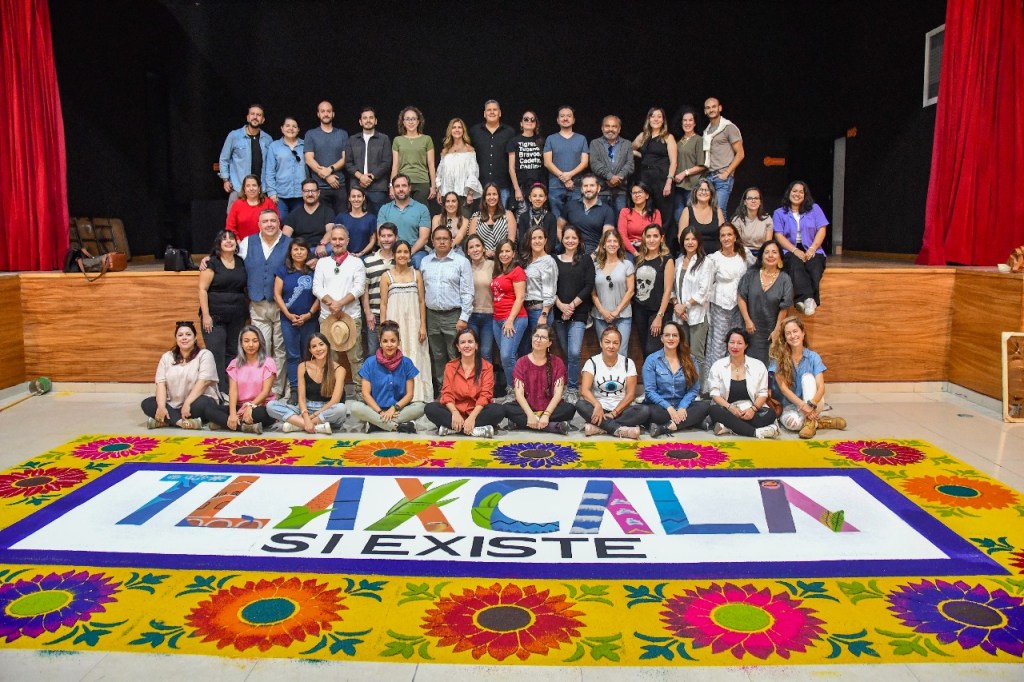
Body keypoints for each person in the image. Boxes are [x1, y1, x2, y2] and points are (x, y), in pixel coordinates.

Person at [237, 210, 291, 397]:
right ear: (259, 224)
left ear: (279, 223)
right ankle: (261, 390)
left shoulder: (289, 243)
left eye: (273, 221)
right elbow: (230, 260)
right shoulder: (247, 242)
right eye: (265, 221)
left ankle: (277, 390)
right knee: (261, 348)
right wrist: (208, 258)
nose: (269, 224)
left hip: (282, 305)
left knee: (281, 349)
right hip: (257, 305)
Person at [769, 316, 847, 438]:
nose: (792, 336)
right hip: (790, 405)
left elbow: (821, 387)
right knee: (792, 424)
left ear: (803, 333)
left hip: (814, 402)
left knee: (808, 377)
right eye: (788, 333)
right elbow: (784, 389)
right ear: (784, 337)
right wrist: (803, 406)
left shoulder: (813, 357)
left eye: (795, 331)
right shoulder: (778, 358)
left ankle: (810, 422)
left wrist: (811, 405)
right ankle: (820, 422)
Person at [420, 225, 474, 397]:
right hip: (432, 315)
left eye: (445, 239)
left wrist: (464, 317)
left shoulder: (461, 262)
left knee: (455, 355)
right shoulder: (425, 262)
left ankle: (459, 393)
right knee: (437, 356)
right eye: (438, 239)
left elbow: (468, 292)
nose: (442, 242)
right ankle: (444, 393)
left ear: (451, 241)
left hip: (454, 315)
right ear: (432, 241)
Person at [425, 328, 505, 438]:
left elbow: (485, 396)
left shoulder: (487, 367)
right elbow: (447, 394)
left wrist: (472, 418)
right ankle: (476, 430)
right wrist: (455, 413)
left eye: (470, 342)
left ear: (476, 345)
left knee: (498, 410)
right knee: (430, 408)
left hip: (477, 412)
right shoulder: (450, 366)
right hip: (455, 412)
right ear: (458, 347)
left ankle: (453, 429)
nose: (466, 345)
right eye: (462, 342)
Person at [380, 240, 433, 403]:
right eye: (399, 252)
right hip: (394, 323)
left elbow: (422, 301)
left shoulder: (417, 275)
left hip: (414, 322)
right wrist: (383, 329)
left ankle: (418, 396)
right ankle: (398, 395)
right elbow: (383, 303)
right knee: (396, 356)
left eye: (405, 252)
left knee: (417, 355)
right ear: (393, 255)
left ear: (410, 254)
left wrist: (423, 325)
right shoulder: (386, 276)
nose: (402, 255)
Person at [313, 226, 367, 386]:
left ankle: (360, 394)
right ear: (330, 241)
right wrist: (332, 304)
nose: (337, 242)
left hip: (351, 316)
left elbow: (359, 288)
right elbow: (317, 288)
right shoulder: (322, 263)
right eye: (334, 239)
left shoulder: (356, 262)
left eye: (341, 239)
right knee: (329, 358)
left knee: (356, 358)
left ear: (347, 241)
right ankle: (333, 393)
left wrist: (340, 304)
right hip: (327, 317)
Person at [348, 321, 424, 433]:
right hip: (376, 409)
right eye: (385, 341)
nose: (389, 345)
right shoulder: (370, 363)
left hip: (399, 409)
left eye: (393, 341)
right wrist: (380, 412)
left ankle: (376, 424)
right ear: (380, 342)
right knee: (355, 407)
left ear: (399, 342)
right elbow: (365, 394)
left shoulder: (407, 363)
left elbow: (409, 395)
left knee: (421, 407)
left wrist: (393, 409)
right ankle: (399, 426)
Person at [142, 321, 220, 430]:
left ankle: (166, 421)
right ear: (176, 339)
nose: (184, 338)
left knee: (204, 404)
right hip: (173, 404)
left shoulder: (205, 354)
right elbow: (161, 383)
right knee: (147, 403)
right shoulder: (167, 357)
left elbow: (204, 382)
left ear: (195, 338)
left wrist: (187, 403)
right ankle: (182, 422)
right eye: (180, 335)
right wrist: (161, 407)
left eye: (188, 334)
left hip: (195, 402)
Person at [266, 332, 346, 434]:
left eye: (321, 344)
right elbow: (302, 398)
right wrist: (305, 415)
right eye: (314, 346)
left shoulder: (339, 370)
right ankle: (314, 426)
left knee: (341, 409)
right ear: (310, 350)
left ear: (327, 346)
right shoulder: (302, 366)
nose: (318, 349)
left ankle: (298, 425)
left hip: (327, 410)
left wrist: (312, 416)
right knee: (271, 405)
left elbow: (335, 401)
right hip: (306, 408)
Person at [643, 320, 712, 437]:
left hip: (682, 406)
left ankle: (665, 428)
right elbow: (649, 391)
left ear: (679, 338)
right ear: (662, 338)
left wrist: (682, 407)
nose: (671, 338)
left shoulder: (690, 359)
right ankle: (693, 422)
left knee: (705, 406)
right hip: (661, 408)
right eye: (667, 335)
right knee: (648, 412)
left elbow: (694, 389)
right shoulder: (652, 360)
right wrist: (668, 407)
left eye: (675, 335)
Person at [199, 230, 248, 394]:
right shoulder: (211, 263)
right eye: (224, 239)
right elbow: (202, 289)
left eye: (231, 238)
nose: (228, 241)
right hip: (215, 316)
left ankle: (230, 391)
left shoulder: (241, 262)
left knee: (233, 353)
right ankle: (218, 392)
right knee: (216, 354)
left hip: (237, 315)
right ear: (218, 244)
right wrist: (206, 315)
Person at [707, 328, 780, 439]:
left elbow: (763, 393)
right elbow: (714, 393)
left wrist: (753, 409)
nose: (735, 346)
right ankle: (755, 432)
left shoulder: (758, 365)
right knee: (714, 410)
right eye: (732, 342)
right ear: (727, 344)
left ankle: (729, 427)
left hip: (750, 408)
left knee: (770, 414)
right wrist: (730, 408)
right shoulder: (718, 365)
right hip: (727, 408)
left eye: (739, 343)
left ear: (746, 345)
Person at [577, 326, 648, 439]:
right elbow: (585, 391)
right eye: (607, 342)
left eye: (615, 343)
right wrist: (597, 405)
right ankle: (619, 429)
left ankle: (600, 427)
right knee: (580, 404)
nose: (611, 346)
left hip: (621, 410)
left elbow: (630, 395)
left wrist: (614, 413)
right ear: (601, 343)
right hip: (599, 410)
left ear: (620, 345)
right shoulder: (592, 362)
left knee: (644, 410)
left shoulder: (628, 363)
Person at [204, 326, 278, 434]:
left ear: (260, 342)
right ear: (241, 343)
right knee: (209, 410)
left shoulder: (268, 362)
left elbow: (265, 392)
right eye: (246, 341)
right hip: (240, 406)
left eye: (255, 341)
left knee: (259, 414)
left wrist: (250, 406)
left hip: (260, 406)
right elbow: (233, 391)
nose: (251, 345)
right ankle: (244, 427)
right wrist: (233, 414)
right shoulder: (234, 363)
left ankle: (224, 423)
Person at [772, 180, 829, 316]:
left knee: (814, 266)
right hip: (789, 249)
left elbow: (822, 229)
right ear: (789, 193)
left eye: (801, 192)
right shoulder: (779, 212)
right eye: (794, 191)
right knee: (795, 264)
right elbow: (778, 235)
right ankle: (809, 299)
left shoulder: (815, 209)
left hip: (812, 247)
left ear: (805, 195)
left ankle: (804, 301)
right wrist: (795, 250)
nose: (797, 194)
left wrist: (813, 248)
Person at [506, 324, 576, 434]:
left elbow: (558, 394)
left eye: (543, 337)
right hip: (528, 408)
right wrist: (530, 415)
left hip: (549, 409)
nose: (538, 340)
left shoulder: (557, 362)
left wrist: (546, 415)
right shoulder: (521, 362)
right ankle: (553, 426)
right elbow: (519, 394)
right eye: (536, 336)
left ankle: (521, 424)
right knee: (506, 408)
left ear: (549, 343)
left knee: (570, 408)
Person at [273, 238, 320, 401]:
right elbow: (277, 294)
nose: (299, 252)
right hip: (289, 320)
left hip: (310, 320)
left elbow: (320, 294)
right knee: (293, 356)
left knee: (310, 355)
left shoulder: (314, 270)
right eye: (295, 249)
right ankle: (294, 389)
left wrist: (309, 314)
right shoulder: (283, 270)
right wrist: (288, 314)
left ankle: (310, 388)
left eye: (302, 249)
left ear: (308, 251)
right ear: (290, 252)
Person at [553, 225, 595, 404]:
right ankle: (565, 386)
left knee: (574, 352)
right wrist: (561, 306)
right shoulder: (554, 260)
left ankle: (572, 388)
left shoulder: (586, 260)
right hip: (559, 313)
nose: (570, 241)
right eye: (567, 237)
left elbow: (589, 285)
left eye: (574, 238)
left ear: (579, 240)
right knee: (566, 353)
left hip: (578, 313)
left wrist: (571, 306)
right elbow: (550, 286)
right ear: (562, 239)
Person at [737, 239, 793, 363]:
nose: (770, 255)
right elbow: (741, 297)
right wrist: (747, 320)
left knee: (771, 365)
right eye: (767, 252)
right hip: (751, 329)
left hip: (772, 331)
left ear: (780, 257)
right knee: (751, 364)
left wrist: (777, 330)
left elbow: (785, 307)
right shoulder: (750, 275)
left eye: (774, 252)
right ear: (761, 256)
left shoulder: (785, 279)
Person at [706, 222, 750, 376]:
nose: (726, 238)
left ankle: (735, 377)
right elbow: (707, 283)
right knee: (719, 344)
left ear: (735, 236)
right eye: (723, 235)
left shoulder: (744, 254)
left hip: (740, 306)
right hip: (720, 305)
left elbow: (755, 270)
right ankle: (715, 380)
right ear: (719, 238)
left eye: (729, 234)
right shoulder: (713, 258)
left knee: (737, 343)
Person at [672, 226, 713, 382]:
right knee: (681, 352)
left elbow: (704, 291)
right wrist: (676, 305)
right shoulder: (677, 261)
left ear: (698, 241)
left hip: (697, 315)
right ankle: (683, 385)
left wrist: (685, 306)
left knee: (696, 355)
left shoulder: (706, 262)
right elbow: (671, 288)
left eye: (693, 239)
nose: (690, 242)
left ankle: (697, 389)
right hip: (679, 314)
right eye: (687, 239)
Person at [632, 107, 677, 250]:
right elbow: (631, 148)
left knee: (665, 214)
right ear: (648, 119)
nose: (656, 119)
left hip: (662, 178)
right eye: (653, 116)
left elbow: (674, 162)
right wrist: (642, 156)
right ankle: (649, 247)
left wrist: (669, 181)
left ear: (663, 120)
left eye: (659, 116)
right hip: (646, 178)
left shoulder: (668, 137)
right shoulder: (643, 136)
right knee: (648, 212)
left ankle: (666, 249)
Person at [490, 239, 528, 400]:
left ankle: (513, 391)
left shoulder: (517, 271)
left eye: (507, 251)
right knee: (509, 357)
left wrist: (510, 319)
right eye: (501, 251)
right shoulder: (498, 271)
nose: (504, 254)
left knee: (506, 356)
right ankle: (520, 389)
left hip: (514, 319)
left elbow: (520, 298)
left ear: (513, 254)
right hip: (497, 320)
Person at [633, 224, 676, 355]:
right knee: (643, 348)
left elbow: (668, 290)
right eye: (648, 236)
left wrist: (659, 316)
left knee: (652, 350)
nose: (651, 240)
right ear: (644, 239)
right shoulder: (639, 259)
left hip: (657, 311)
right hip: (640, 310)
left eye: (655, 236)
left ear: (661, 238)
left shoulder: (667, 260)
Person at [218, 104, 271, 209]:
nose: (255, 117)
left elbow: (271, 165)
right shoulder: (234, 136)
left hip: (260, 190)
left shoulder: (268, 139)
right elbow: (224, 159)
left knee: (260, 218)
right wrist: (225, 180)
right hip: (238, 188)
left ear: (263, 120)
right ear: (247, 117)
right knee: (234, 218)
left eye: (259, 115)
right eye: (252, 114)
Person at [591, 230, 635, 355]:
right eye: (609, 241)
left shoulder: (627, 264)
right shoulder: (595, 266)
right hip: (601, 316)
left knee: (621, 352)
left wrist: (617, 311)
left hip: (623, 315)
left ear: (619, 244)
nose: (612, 244)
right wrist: (602, 311)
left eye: (615, 241)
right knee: (605, 351)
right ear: (603, 245)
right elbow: (592, 292)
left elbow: (630, 291)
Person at [543, 105, 589, 220]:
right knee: (557, 219)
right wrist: (565, 178)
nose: (565, 118)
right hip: (555, 186)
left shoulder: (581, 139)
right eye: (562, 116)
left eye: (568, 116)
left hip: (576, 186)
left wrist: (569, 176)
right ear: (557, 120)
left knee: (576, 219)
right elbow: (547, 163)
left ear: (573, 120)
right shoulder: (550, 139)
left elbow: (584, 163)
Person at [304, 100, 348, 215]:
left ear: (333, 114)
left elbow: (345, 159)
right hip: (319, 188)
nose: (326, 114)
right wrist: (327, 176)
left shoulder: (342, 134)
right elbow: (309, 159)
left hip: (339, 185)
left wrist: (330, 169)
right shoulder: (311, 134)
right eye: (323, 111)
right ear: (318, 114)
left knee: (341, 221)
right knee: (322, 221)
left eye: (328, 111)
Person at [377, 174, 431, 268]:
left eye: (404, 186)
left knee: (418, 263)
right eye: (397, 186)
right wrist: (394, 254)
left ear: (409, 188)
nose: (401, 189)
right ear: (393, 189)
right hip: (390, 251)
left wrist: (407, 253)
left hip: (415, 252)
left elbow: (424, 238)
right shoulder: (384, 209)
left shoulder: (422, 209)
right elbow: (380, 236)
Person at [701, 97, 745, 214]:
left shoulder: (728, 127)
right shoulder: (707, 131)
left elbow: (740, 154)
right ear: (705, 111)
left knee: (719, 211)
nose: (711, 110)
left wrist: (726, 173)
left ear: (720, 108)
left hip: (723, 177)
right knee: (708, 213)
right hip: (709, 176)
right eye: (708, 108)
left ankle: (723, 228)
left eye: (714, 107)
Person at [519, 226, 558, 356]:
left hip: (539, 310)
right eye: (533, 238)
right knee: (525, 351)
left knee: (538, 351)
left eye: (540, 238)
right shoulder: (527, 261)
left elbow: (550, 290)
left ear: (545, 240)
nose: (537, 241)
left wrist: (544, 314)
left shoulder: (548, 261)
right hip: (525, 311)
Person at [360, 222, 397, 357]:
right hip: (374, 315)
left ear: (396, 237)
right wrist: (367, 312)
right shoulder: (368, 261)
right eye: (383, 236)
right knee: (373, 353)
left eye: (390, 236)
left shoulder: (402, 259)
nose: (386, 239)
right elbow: (364, 289)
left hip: (396, 312)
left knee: (397, 352)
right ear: (378, 238)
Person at [345, 106, 391, 212]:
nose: (368, 120)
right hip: (356, 187)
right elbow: (348, 163)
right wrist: (361, 177)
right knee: (356, 217)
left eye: (371, 117)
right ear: (360, 122)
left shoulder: (384, 139)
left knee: (379, 218)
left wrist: (370, 177)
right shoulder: (352, 139)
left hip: (378, 187)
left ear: (376, 121)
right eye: (365, 118)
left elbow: (386, 163)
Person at [470, 100, 516, 207]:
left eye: (495, 110)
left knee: (502, 217)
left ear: (500, 113)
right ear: (484, 113)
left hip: (502, 186)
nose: (492, 112)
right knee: (481, 217)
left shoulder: (509, 132)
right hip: (479, 187)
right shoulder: (474, 131)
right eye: (489, 110)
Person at [559, 173, 616, 256]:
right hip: (571, 252)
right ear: (581, 189)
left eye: (592, 185)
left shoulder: (607, 210)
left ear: (598, 188)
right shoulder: (570, 205)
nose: (588, 189)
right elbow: (559, 227)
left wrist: (594, 255)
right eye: (585, 186)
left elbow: (607, 237)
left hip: (595, 254)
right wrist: (565, 246)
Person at [391, 106, 436, 209]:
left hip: (422, 181)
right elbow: (395, 165)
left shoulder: (427, 139)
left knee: (420, 211)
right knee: (403, 211)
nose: (411, 122)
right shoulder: (397, 140)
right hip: (403, 182)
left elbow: (431, 164)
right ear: (403, 122)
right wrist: (391, 186)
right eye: (407, 119)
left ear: (418, 121)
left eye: (413, 119)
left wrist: (433, 186)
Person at [589, 114, 634, 215]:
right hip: (601, 191)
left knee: (620, 220)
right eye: (607, 126)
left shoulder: (627, 144)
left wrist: (618, 178)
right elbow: (594, 164)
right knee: (600, 220)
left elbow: (630, 165)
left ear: (619, 129)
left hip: (621, 191)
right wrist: (610, 177)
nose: (610, 129)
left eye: (614, 126)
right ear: (602, 128)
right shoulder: (595, 143)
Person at [435, 117, 482, 213]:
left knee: (464, 221)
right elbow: (440, 173)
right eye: (454, 127)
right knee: (447, 221)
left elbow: (473, 173)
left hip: (463, 195)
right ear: (450, 130)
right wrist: (439, 191)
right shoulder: (445, 151)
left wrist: (470, 193)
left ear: (463, 130)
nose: (457, 130)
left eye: (459, 127)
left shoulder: (469, 150)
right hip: (446, 196)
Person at [265, 116, 306, 222]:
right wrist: (272, 192)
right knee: (281, 219)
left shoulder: (305, 145)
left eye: (294, 126)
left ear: (298, 130)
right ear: (282, 128)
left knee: (298, 221)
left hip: (300, 194)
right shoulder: (274, 146)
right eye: (287, 126)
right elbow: (269, 171)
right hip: (280, 194)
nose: (291, 128)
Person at [464, 234, 496, 373]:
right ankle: (474, 382)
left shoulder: (493, 265)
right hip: (471, 316)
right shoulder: (465, 268)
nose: (475, 249)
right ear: (467, 251)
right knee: (472, 352)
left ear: (483, 248)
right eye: (471, 247)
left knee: (486, 352)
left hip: (489, 314)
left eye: (478, 246)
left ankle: (487, 382)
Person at [283, 178, 334, 259]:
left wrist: (322, 244)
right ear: (302, 193)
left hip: (321, 249)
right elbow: (285, 236)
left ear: (318, 193)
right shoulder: (294, 214)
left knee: (331, 247)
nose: (310, 194)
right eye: (306, 191)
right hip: (301, 250)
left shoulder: (327, 211)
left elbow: (330, 231)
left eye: (313, 191)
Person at [507, 110, 546, 219]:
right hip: (521, 186)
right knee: (521, 217)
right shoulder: (514, 141)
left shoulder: (542, 141)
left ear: (536, 123)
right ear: (521, 123)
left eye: (533, 119)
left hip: (538, 185)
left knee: (538, 217)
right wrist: (517, 189)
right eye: (526, 119)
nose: (529, 121)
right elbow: (511, 168)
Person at [672, 106, 706, 222]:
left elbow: (702, 165)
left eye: (690, 120)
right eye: (685, 120)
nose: (687, 123)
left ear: (695, 123)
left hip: (692, 185)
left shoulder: (699, 140)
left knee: (691, 215)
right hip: (678, 184)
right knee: (678, 215)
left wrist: (685, 173)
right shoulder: (678, 141)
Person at [469, 182, 517, 259]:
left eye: (494, 194)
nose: (491, 197)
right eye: (488, 194)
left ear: (499, 196)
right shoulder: (476, 218)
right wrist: (484, 252)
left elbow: (511, 240)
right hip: (482, 259)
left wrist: (498, 252)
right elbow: (471, 242)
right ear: (484, 198)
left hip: (503, 258)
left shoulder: (508, 215)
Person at [678, 178, 725, 256]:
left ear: (711, 193)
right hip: (693, 254)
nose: (703, 192)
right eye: (700, 189)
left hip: (715, 255)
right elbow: (681, 237)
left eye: (707, 190)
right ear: (695, 192)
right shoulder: (687, 211)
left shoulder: (718, 211)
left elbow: (723, 235)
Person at [226, 175, 278, 239]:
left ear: (259, 188)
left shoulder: (268, 203)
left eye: (254, 185)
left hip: (266, 242)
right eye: (248, 186)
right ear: (244, 189)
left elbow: (276, 224)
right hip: (242, 243)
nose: (251, 189)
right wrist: (238, 241)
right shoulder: (237, 204)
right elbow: (230, 227)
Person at [618, 181, 661, 257]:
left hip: (650, 248)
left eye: (640, 192)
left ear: (647, 195)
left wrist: (649, 252)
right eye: (634, 193)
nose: (637, 195)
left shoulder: (655, 213)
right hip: (630, 250)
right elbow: (622, 236)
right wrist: (635, 253)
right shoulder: (625, 212)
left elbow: (658, 235)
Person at [516, 183, 558, 254]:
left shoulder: (551, 217)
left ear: (545, 198)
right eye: (534, 196)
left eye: (541, 196)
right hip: (527, 255)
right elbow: (522, 241)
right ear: (530, 198)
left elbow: (552, 242)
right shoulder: (523, 217)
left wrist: (542, 255)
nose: (537, 199)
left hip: (546, 255)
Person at [336, 186, 377, 257]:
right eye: (353, 196)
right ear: (349, 198)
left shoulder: (371, 218)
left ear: (363, 198)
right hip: (344, 256)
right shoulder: (341, 217)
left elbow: (373, 240)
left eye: (359, 196)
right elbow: (337, 238)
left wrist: (361, 253)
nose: (356, 199)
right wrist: (348, 254)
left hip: (365, 256)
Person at [732, 187, 774, 257]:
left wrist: (759, 257)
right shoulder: (737, 220)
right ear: (745, 202)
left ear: (760, 202)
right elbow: (738, 244)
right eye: (750, 198)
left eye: (756, 198)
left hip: (762, 253)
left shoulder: (767, 219)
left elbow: (768, 245)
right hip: (743, 253)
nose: (753, 201)